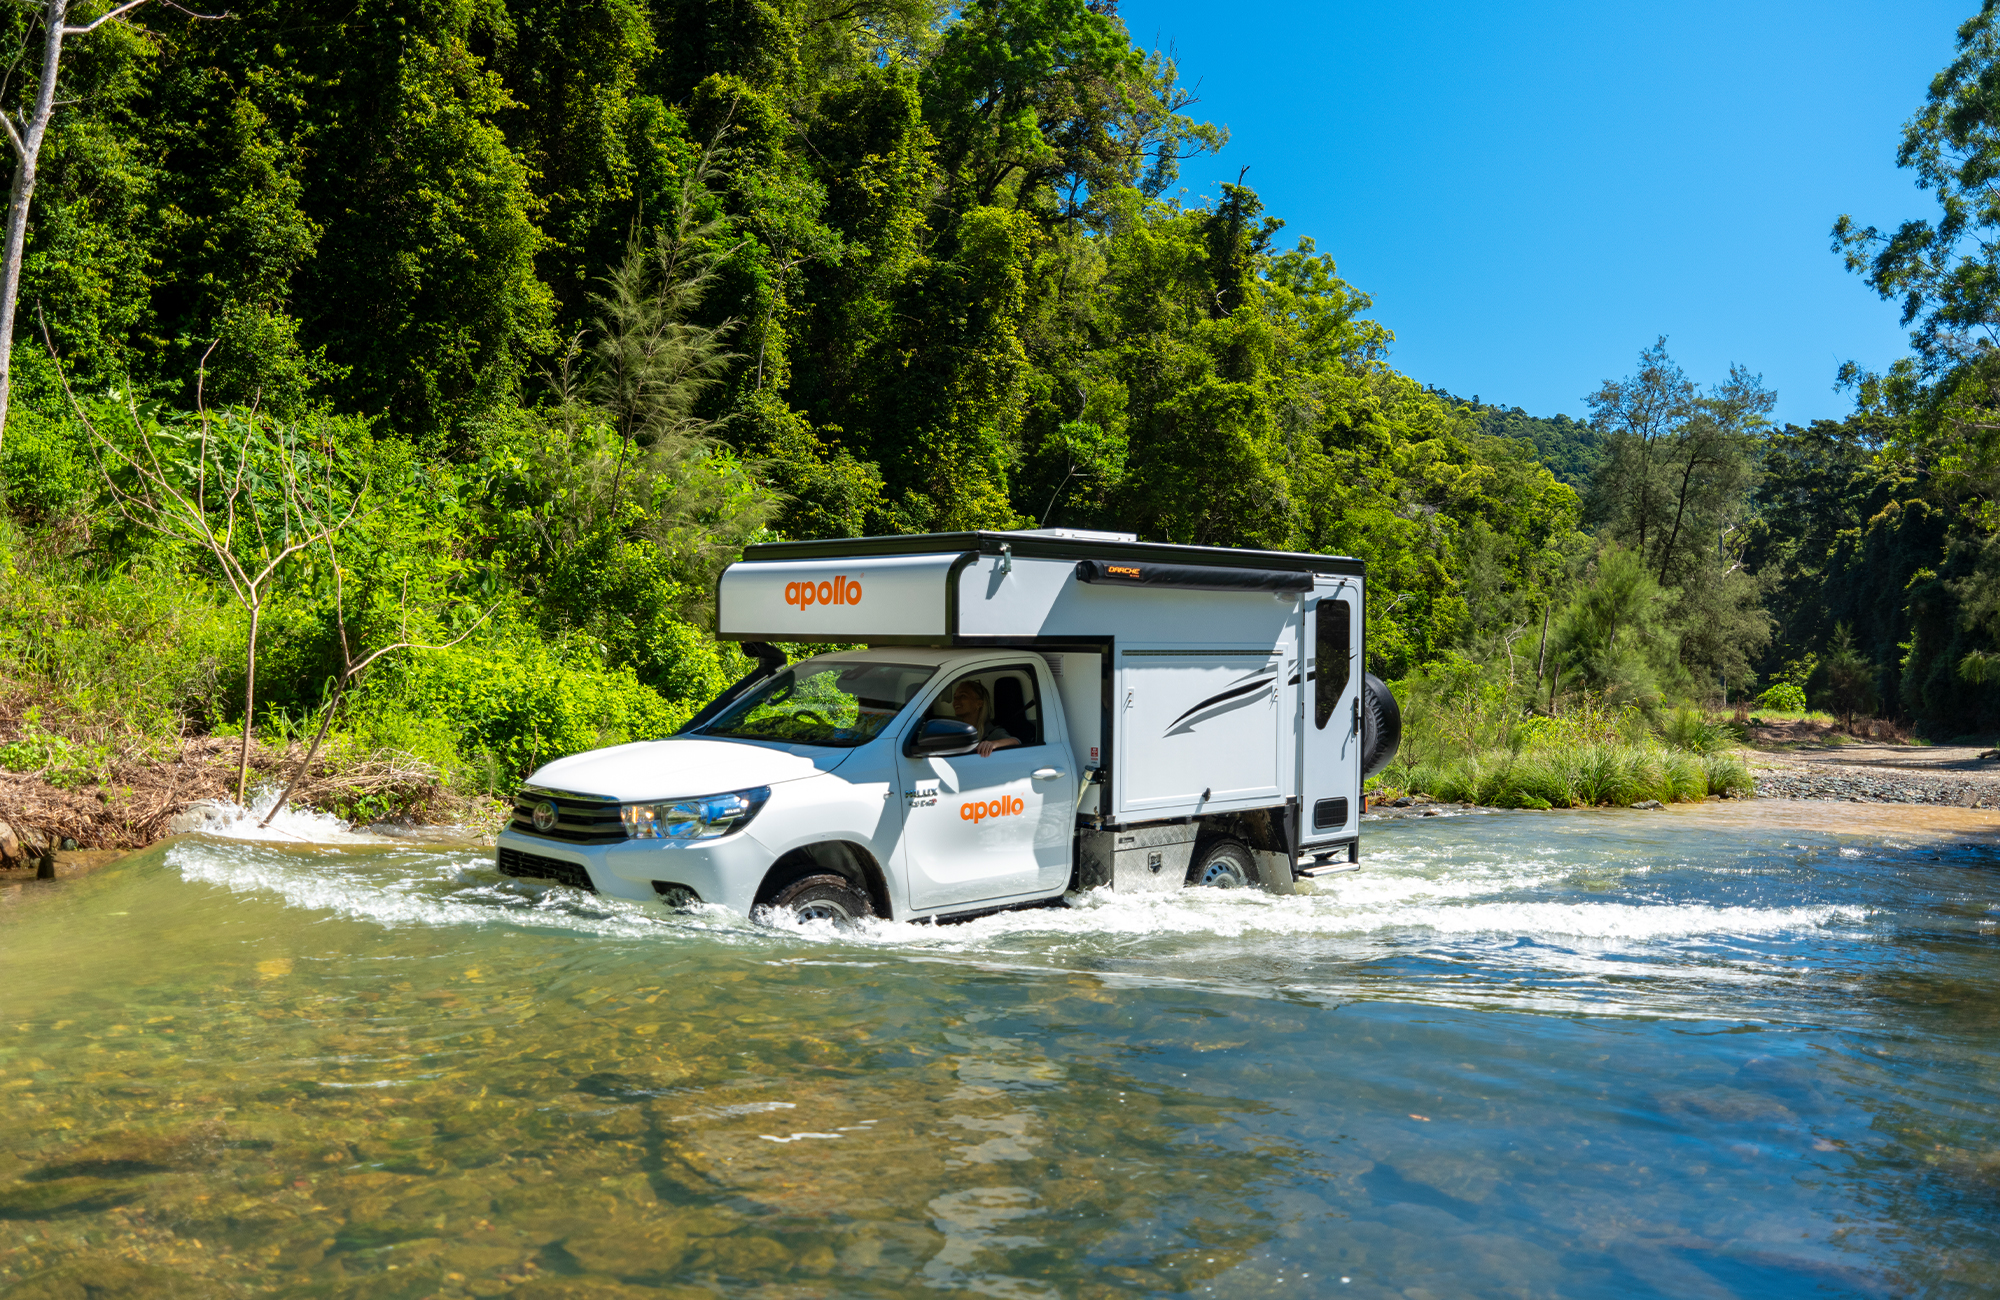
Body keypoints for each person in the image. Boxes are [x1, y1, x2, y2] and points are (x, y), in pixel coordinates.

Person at [946, 678, 1019, 757]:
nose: (956, 701)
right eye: (955, 697)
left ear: (979, 703)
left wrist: (993, 744)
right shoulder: (956, 731)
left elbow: (1016, 742)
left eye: (963, 696)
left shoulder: (991, 733)